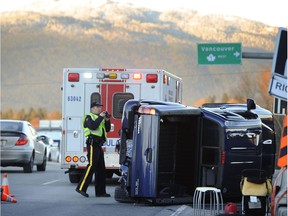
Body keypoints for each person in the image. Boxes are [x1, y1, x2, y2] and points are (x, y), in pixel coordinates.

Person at [76, 102, 111, 198]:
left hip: (98, 145)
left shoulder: (100, 119)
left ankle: (100, 192)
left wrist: (107, 120)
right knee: (91, 165)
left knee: (101, 169)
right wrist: (101, 117)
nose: (100, 109)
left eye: (100, 107)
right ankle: (81, 187)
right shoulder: (88, 117)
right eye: (97, 107)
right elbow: (93, 126)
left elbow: (107, 130)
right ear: (92, 109)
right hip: (92, 143)